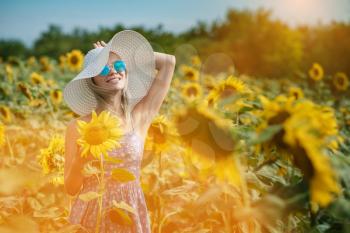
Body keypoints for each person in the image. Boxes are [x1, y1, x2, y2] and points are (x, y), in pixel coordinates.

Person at [63, 30, 176, 232]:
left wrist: (124, 56)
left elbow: (168, 62)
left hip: (129, 212)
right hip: (92, 213)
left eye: (118, 66)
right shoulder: (78, 127)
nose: (113, 71)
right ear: (92, 80)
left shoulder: (140, 117)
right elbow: (71, 189)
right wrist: (79, 162)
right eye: (103, 70)